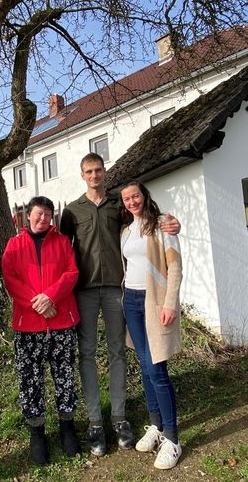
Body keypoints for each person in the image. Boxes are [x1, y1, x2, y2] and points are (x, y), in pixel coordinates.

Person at [60, 153, 180, 456]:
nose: (94, 175)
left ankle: (119, 417)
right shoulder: (72, 211)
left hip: (118, 290)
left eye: (99, 170)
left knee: (118, 352)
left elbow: (147, 224)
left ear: (104, 172)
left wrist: (173, 223)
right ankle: (95, 422)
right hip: (85, 291)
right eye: (89, 171)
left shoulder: (119, 204)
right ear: (82, 174)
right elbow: (60, 249)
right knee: (86, 354)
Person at [1, 196, 81, 465]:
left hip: (61, 321)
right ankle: (37, 432)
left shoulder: (62, 243)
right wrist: (36, 303)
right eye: (38, 213)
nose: (43, 218)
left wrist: (50, 297)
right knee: (30, 380)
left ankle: (67, 426)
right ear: (28, 215)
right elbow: (10, 277)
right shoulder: (14, 245)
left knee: (65, 376)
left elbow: (71, 273)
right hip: (29, 325)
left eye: (48, 214)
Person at [120, 179, 183, 470]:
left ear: (144, 196)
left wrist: (170, 303)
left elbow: (175, 266)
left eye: (135, 196)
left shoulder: (162, 224)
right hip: (131, 301)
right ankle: (156, 425)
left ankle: (172, 438)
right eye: (127, 199)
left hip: (154, 301)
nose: (132, 202)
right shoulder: (126, 231)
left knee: (157, 368)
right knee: (145, 366)